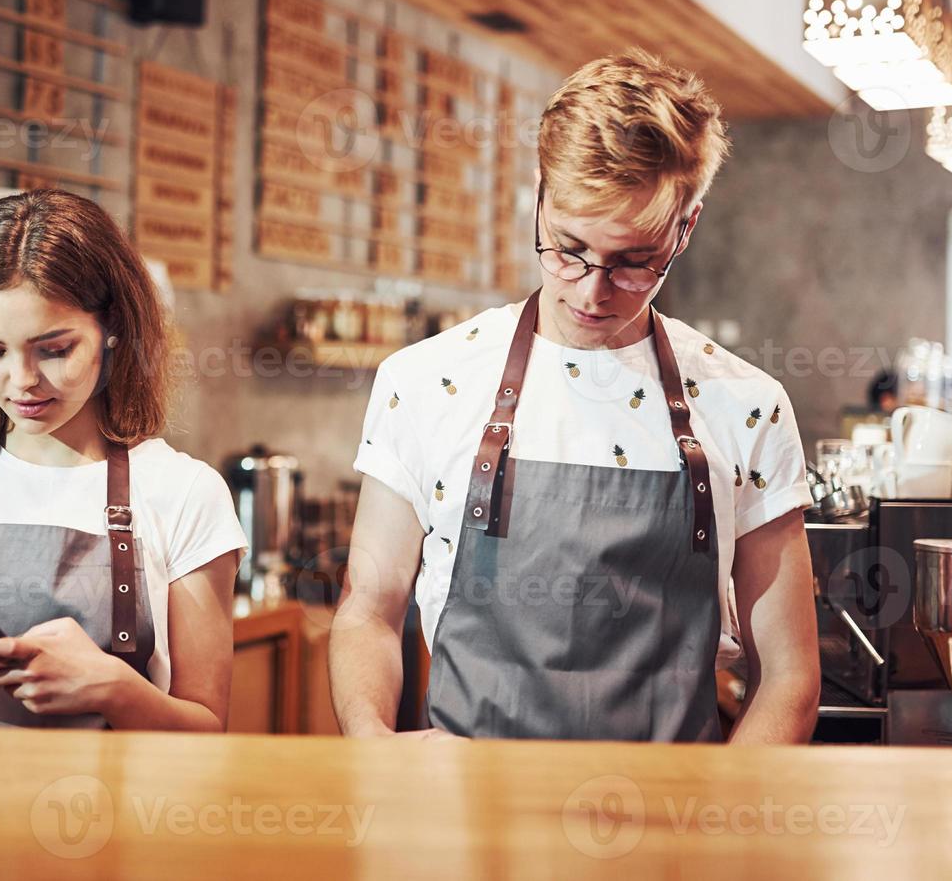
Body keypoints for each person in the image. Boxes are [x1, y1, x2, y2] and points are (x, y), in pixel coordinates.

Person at [331, 49, 820, 743]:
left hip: (675, 803)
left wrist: (726, 798)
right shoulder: (422, 383)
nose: (592, 292)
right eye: (568, 248)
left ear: (686, 228)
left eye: (634, 262)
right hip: (470, 804)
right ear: (539, 195)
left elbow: (790, 676)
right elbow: (369, 611)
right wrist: (372, 743)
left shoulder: (745, 405)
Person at [0, 189, 245, 729]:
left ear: (113, 330)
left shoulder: (185, 495)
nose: (22, 381)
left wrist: (114, 689)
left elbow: (207, 733)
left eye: (55, 350)